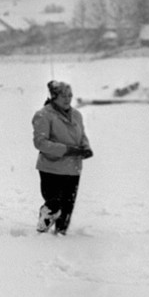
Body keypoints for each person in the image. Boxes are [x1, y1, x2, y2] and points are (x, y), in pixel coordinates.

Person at [32, 80, 93, 235]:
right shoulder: (43, 115)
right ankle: (43, 225)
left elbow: (82, 135)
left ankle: (61, 235)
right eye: (63, 96)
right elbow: (40, 142)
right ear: (54, 97)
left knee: (67, 208)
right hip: (51, 168)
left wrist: (85, 147)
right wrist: (66, 150)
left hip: (73, 169)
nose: (68, 99)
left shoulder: (77, 115)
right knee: (55, 204)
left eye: (70, 95)